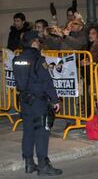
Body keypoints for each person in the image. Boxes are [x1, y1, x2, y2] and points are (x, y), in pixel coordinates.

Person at [12, 31, 62, 176]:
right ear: (33, 42)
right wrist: (55, 100)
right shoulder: (38, 60)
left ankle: (29, 163)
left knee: (28, 131)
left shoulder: (17, 59)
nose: (39, 44)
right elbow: (47, 82)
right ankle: (43, 165)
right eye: (38, 41)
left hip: (24, 100)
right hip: (38, 102)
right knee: (42, 132)